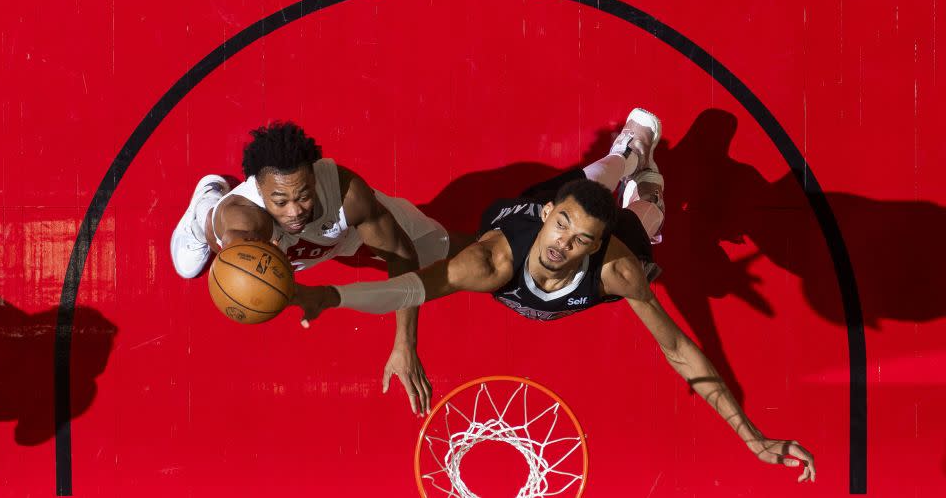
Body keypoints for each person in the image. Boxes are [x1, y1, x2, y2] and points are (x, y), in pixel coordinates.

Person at [294, 108, 817, 482]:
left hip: (609, 251)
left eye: (580, 240)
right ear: (548, 220)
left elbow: (679, 350)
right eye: (561, 227)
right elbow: (412, 285)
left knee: (645, 218)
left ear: (596, 249)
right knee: (588, 180)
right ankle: (629, 151)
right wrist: (338, 302)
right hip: (520, 219)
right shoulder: (489, 263)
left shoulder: (617, 269)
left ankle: (647, 182)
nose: (562, 244)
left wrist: (752, 437)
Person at [170, 121, 454, 415]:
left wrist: (405, 344)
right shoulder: (244, 218)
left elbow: (400, 256)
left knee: (442, 248)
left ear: (315, 179)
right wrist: (251, 259)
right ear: (259, 189)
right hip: (277, 245)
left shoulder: (350, 196)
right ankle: (206, 203)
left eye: (303, 196)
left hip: (340, 233)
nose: (294, 211)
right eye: (279, 201)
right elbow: (235, 248)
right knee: (192, 261)